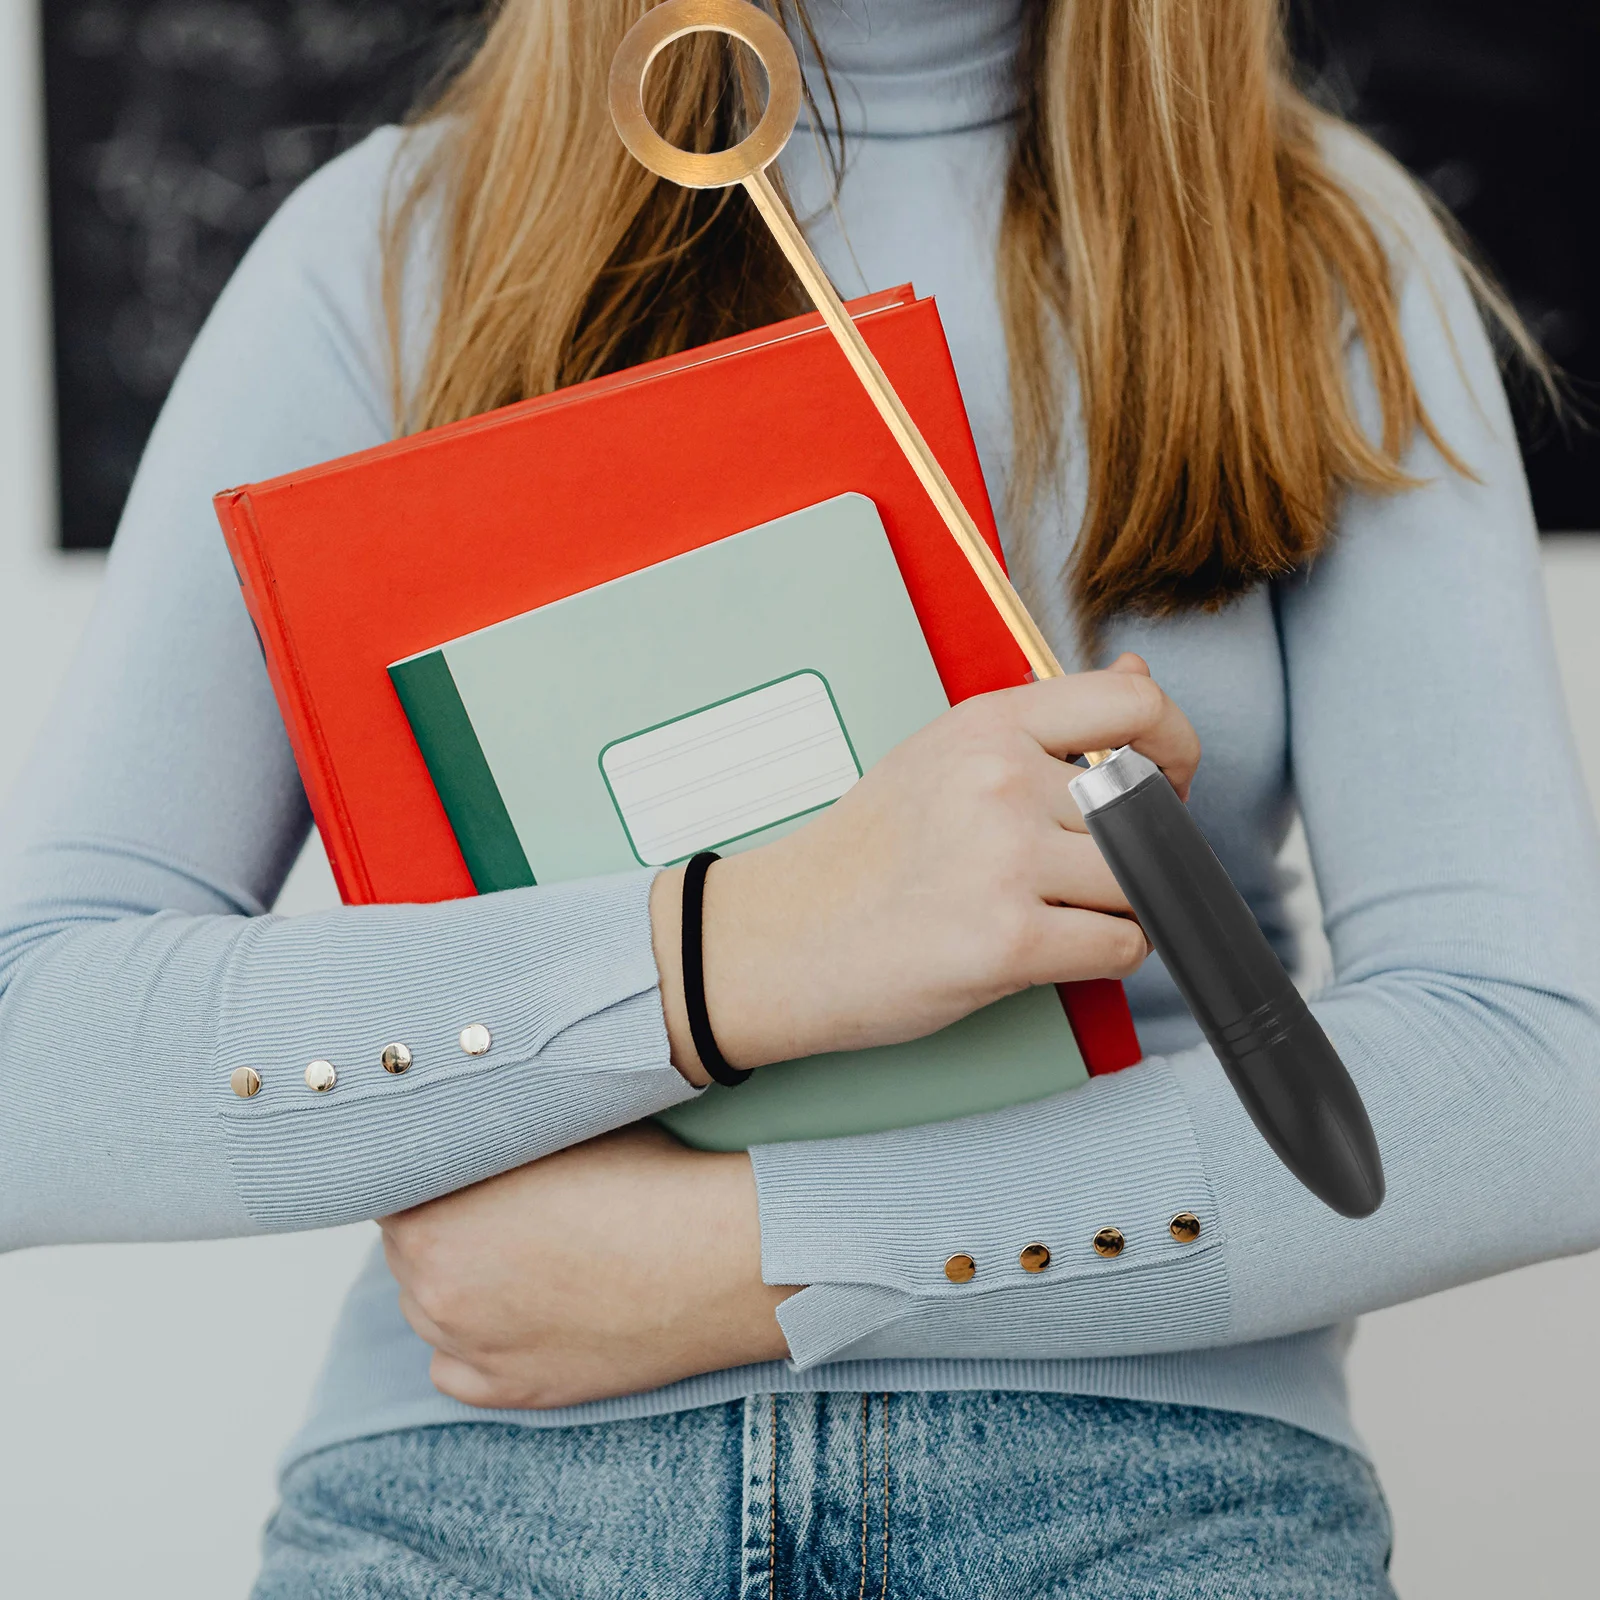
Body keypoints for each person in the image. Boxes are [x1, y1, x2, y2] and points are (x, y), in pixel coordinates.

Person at [2, 0, 1597, 1594]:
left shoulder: (1315, 239)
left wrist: (774, 1259)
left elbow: (1542, 1082)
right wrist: (736, 947)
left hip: (1160, 1505)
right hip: (483, 1509)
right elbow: (33, 1064)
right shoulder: (389, 242)